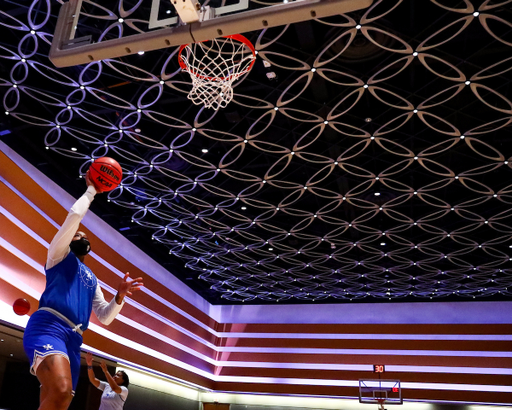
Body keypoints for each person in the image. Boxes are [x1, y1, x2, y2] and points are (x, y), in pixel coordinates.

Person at [23, 172, 143, 410]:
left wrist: (119, 296)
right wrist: (92, 191)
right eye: (77, 234)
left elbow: (106, 317)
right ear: (69, 240)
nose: (80, 235)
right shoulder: (58, 255)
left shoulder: (93, 279)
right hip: (49, 326)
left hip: (74, 339)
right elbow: (75, 216)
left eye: (84, 236)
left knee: (58, 401)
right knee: (61, 391)